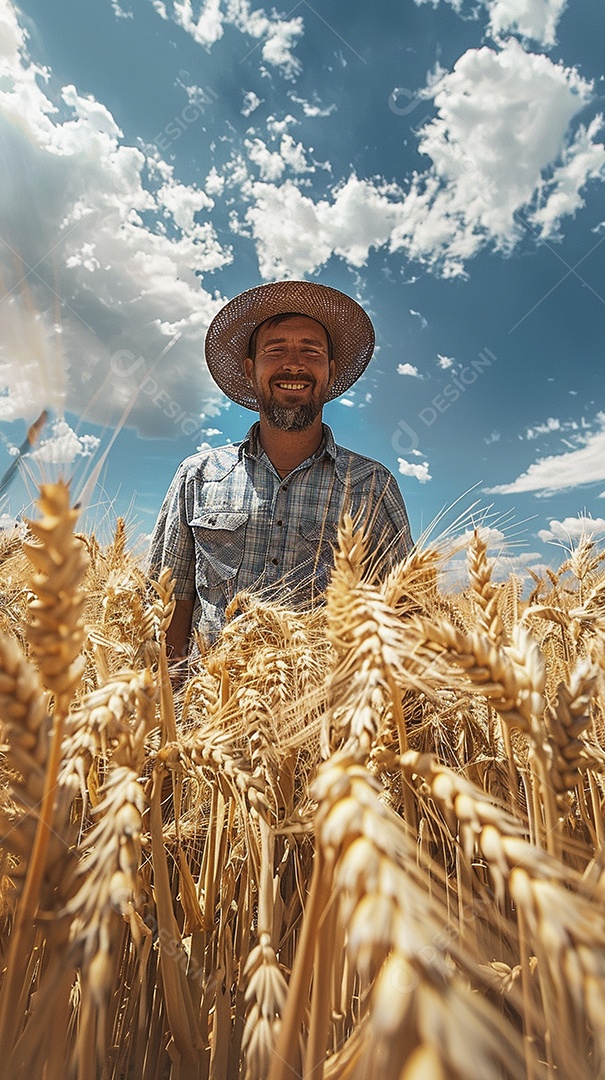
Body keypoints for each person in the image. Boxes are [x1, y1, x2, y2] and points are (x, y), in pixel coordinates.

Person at [149, 280, 413, 663]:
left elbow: (404, 612)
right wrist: (168, 704)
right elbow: (168, 598)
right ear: (249, 368)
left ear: (330, 369)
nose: (294, 364)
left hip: (326, 717)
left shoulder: (371, 486)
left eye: (311, 351)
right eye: (276, 350)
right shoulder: (198, 475)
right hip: (207, 713)